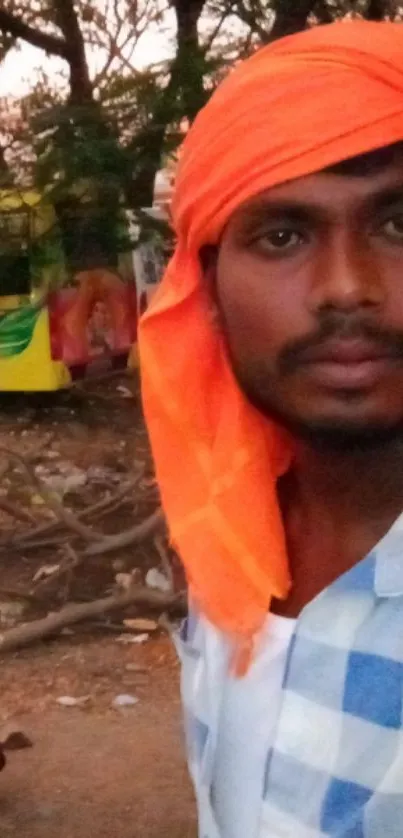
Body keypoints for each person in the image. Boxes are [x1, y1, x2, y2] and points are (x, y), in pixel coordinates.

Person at [139, 20, 403, 838]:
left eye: (400, 224)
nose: (346, 288)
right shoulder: (228, 533)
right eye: (280, 235)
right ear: (206, 291)